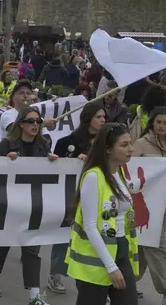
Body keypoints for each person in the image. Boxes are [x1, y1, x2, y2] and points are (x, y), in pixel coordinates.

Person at [0, 106, 58, 305]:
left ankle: (34, 295)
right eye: (30, 121)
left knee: (31, 250)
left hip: (33, 206)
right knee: (2, 246)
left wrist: (52, 161)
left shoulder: (43, 144)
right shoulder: (7, 144)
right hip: (10, 205)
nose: (35, 125)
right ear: (20, 124)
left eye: (38, 121)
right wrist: (6, 161)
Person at [65, 123, 138, 305]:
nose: (131, 149)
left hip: (120, 250)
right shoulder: (93, 177)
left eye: (130, 143)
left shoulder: (119, 171)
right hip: (96, 259)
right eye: (124, 145)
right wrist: (111, 267)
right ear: (107, 149)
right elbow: (90, 227)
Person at [48, 102, 107, 295]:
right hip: (69, 197)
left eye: (104, 117)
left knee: (93, 237)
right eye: (99, 117)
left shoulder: (106, 143)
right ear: (88, 118)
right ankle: (55, 274)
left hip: (96, 197)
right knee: (63, 237)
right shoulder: (67, 141)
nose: (103, 120)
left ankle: (91, 279)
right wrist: (73, 160)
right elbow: (54, 166)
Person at [132, 107, 166, 305]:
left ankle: (128, 284)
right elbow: (129, 171)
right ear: (152, 122)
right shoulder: (140, 144)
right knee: (155, 246)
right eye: (159, 122)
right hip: (143, 205)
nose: (162, 126)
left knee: (145, 245)